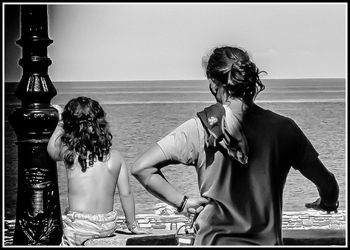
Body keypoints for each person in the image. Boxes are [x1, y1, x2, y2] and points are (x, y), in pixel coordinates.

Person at [131, 46, 340, 245]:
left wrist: (184, 203)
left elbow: (142, 168)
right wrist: (327, 202)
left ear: (214, 83)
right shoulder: (284, 129)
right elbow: (329, 185)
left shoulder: (200, 128)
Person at [47, 96, 147, 246]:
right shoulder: (116, 157)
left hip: (80, 225)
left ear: (71, 126)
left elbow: (51, 151)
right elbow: (126, 194)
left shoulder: (71, 154)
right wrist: (132, 225)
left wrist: (60, 123)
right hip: (107, 225)